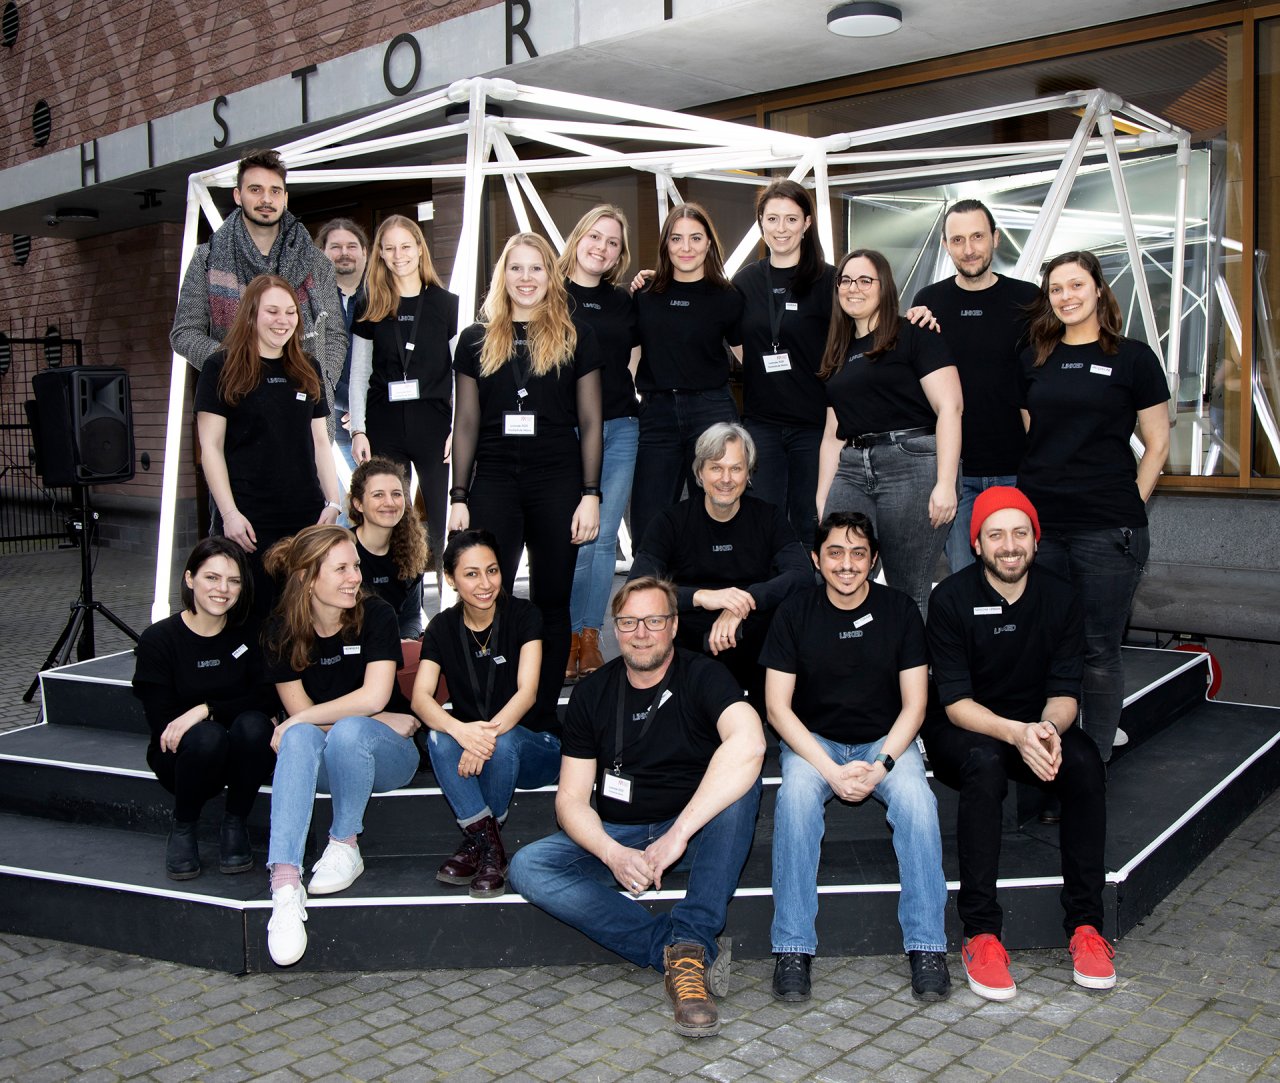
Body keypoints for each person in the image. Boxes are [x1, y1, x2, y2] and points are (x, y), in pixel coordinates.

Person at [509, 577, 765, 1039]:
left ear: (672, 626)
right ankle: (681, 950)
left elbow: (750, 741)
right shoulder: (592, 694)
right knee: (529, 866)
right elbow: (569, 799)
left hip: (689, 824)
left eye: (653, 620)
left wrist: (679, 833)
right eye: (628, 622)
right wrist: (611, 852)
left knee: (741, 787)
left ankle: (691, 937)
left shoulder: (704, 675)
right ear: (614, 629)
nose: (640, 632)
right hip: (620, 830)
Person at [923, 486, 1113, 1000]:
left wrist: (1047, 730)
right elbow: (956, 703)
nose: (1009, 545)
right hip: (963, 730)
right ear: (978, 543)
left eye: (1020, 533)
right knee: (984, 763)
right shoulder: (951, 599)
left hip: (1033, 726)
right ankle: (981, 934)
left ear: (1036, 539)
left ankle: (1086, 927)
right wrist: (1017, 733)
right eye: (996, 535)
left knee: (1085, 761)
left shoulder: (1060, 597)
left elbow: (1065, 692)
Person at [761, 511, 950, 1004]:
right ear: (816, 559)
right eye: (835, 553)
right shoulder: (795, 612)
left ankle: (928, 945)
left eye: (859, 553)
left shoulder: (900, 610)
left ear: (874, 560)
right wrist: (828, 770)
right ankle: (792, 948)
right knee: (796, 800)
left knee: (918, 803)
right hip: (814, 743)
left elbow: (916, 704)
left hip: (885, 742)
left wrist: (882, 765)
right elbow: (777, 709)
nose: (847, 565)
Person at [1019, 250, 1171, 762]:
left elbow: (1157, 443)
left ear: (1099, 291)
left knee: (1099, 650)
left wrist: (1131, 502)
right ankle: (1048, 758)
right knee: (1049, 649)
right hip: (1044, 528)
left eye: (1076, 285)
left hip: (1107, 528)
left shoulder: (1133, 358)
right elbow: (1031, 436)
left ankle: (1093, 766)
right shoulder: (1035, 357)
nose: (1066, 296)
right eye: (1056, 289)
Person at [448, 232, 602, 722]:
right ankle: (490, 704)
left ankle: (541, 713)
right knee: (489, 595)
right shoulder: (475, 339)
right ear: (502, 276)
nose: (527, 278)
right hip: (493, 479)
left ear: (550, 275)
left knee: (552, 600)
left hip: (556, 479)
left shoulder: (574, 334)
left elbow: (592, 421)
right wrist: (459, 494)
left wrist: (590, 494)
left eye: (536, 268)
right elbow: (466, 423)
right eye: (516, 268)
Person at [260, 525, 422, 967]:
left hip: (389, 756)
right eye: (343, 569)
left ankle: (345, 843)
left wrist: (307, 719)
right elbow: (316, 714)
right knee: (305, 735)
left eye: (356, 566)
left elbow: (371, 696)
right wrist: (367, 715)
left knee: (334, 729)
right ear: (310, 579)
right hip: (331, 762)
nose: (356, 576)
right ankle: (286, 884)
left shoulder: (377, 614)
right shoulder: (280, 629)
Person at [815, 249, 962, 618]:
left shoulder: (914, 332)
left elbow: (950, 407)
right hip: (851, 466)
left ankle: (915, 676)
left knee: (908, 589)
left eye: (866, 280)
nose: (854, 288)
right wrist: (823, 497)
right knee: (840, 578)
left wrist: (946, 483)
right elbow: (833, 433)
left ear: (885, 287)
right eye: (846, 280)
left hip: (912, 465)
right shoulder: (838, 349)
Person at [412, 529, 557, 899]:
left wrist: (482, 739)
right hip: (475, 745)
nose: (485, 583)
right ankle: (489, 847)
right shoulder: (442, 627)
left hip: (535, 745)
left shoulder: (524, 615)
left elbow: (527, 694)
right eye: (472, 574)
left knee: (504, 739)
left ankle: (476, 843)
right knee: (438, 736)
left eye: (492, 571)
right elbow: (421, 699)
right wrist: (462, 734)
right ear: (450, 578)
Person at [629, 422, 811, 703]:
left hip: (756, 643)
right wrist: (705, 597)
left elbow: (801, 575)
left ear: (748, 473)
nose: (726, 478)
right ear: (700, 472)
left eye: (736, 468)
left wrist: (743, 602)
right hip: (688, 647)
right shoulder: (670, 522)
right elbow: (638, 587)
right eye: (716, 467)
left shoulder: (768, 517)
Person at [194, 274, 344, 615]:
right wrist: (229, 514)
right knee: (252, 616)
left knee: (304, 617)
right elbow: (211, 449)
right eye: (272, 311)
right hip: (248, 521)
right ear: (251, 314)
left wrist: (334, 503)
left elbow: (321, 442)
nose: (283, 320)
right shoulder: (220, 367)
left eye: (290, 312)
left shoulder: (308, 367)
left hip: (305, 518)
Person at [132, 538, 276, 881]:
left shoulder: (252, 631)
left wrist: (205, 709)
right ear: (189, 579)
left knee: (256, 725)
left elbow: (267, 698)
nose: (223, 589)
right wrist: (211, 719)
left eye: (234, 580)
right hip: (184, 758)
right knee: (208, 737)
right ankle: (183, 827)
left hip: (243, 757)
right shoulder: (158, 640)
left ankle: (234, 823)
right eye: (212, 578)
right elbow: (164, 722)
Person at [171, 148, 345, 430]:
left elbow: (335, 334)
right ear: (238, 195)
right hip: (237, 403)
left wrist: (321, 380)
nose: (266, 199)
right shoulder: (207, 259)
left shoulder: (316, 263)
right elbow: (184, 333)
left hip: (304, 405)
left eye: (275, 191)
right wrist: (237, 367)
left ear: (285, 198)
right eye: (256, 189)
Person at [911, 199, 1039, 572]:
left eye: (978, 237)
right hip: (956, 473)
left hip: (1017, 468)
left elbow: (1044, 383)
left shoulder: (1028, 299)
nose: (968, 249)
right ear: (946, 245)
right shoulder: (928, 302)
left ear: (995, 238)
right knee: (964, 580)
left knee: (1017, 576)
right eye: (958, 239)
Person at [349, 215, 460, 570]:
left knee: (445, 522)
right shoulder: (370, 303)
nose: (399, 255)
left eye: (405, 246)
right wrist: (358, 429)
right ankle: (401, 615)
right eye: (390, 247)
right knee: (392, 524)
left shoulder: (446, 304)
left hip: (436, 427)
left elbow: (461, 374)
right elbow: (360, 373)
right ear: (379, 253)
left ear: (419, 249)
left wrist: (459, 429)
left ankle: (450, 605)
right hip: (385, 426)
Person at [630, 203, 743, 547]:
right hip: (657, 412)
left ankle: (709, 594)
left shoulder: (727, 296)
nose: (686, 247)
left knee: (716, 510)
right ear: (665, 244)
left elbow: (745, 356)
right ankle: (651, 596)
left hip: (710, 411)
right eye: (677, 239)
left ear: (709, 243)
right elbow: (631, 355)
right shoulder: (645, 294)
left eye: (696, 238)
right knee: (648, 518)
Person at [560, 205, 641, 684]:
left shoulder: (624, 302)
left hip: (620, 427)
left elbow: (633, 357)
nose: (602, 247)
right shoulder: (548, 293)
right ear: (578, 238)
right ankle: (564, 635)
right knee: (572, 536)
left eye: (612, 242)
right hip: (566, 431)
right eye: (595, 237)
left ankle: (589, 637)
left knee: (604, 538)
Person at [732, 179, 836, 548]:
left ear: (808, 223)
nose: (781, 229)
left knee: (812, 523)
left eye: (791, 219)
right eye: (772, 218)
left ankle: (810, 603)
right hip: (763, 424)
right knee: (764, 521)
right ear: (760, 222)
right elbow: (733, 338)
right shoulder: (744, 282)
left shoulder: (829, 280)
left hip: (815, 425)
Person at [348, 457, 430, 639]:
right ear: (358, 503)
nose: (390, 502)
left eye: (396, 494)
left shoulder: (411, 550)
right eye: (378, 495)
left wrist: (406, 640)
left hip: (395, 646)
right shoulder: (341, 550)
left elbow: (412, 616)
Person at [317, 217, 369, 479]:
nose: (344, 253)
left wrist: (363, 406)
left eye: (351, 246)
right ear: (322, 253)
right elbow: (311, 362)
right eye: (335, 247)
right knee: (335, 508)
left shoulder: (380, 297)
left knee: (377, 498)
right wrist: (351, 403)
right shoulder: (309, 302)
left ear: (364, 252)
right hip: (327, 420)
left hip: (374, 416)